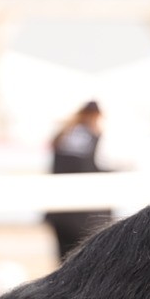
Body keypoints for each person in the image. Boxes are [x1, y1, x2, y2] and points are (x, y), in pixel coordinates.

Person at [46, 101, 113, 261]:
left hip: (59, 211)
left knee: (64, 266)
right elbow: (95, 169)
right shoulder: (93, 137)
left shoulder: (62, 135)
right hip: (87, 215)